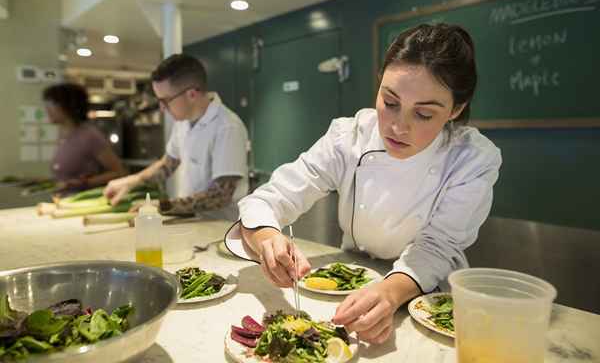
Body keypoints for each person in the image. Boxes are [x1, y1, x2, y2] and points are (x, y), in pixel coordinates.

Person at [225, 23, 502, 344]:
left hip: (429, 303)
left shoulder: (472, 158)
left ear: (456, 109)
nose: (399, 126)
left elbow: (437, 247)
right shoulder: (349, 136)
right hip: (349, 284)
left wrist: (388, 292)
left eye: (424, 114)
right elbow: (266, 200)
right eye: (390, 102)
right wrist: (268, 239)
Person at [104, 54, 248, 219]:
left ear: (192, 94)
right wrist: (131, 181)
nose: (162, 108)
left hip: (221, 230)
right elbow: (167, 164)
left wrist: (161, 206)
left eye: (165, 100)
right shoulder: (183, 122)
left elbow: (220, 196)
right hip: (194, 222)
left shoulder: (227, 127)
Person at [43, 83, 127, 192]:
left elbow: (120, 172)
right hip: (62, 202)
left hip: (80, 203)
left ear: (68, 105)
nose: (47, 109)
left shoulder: (89, 135)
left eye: (52, 104)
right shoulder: (63, 134)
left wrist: (85, 183)